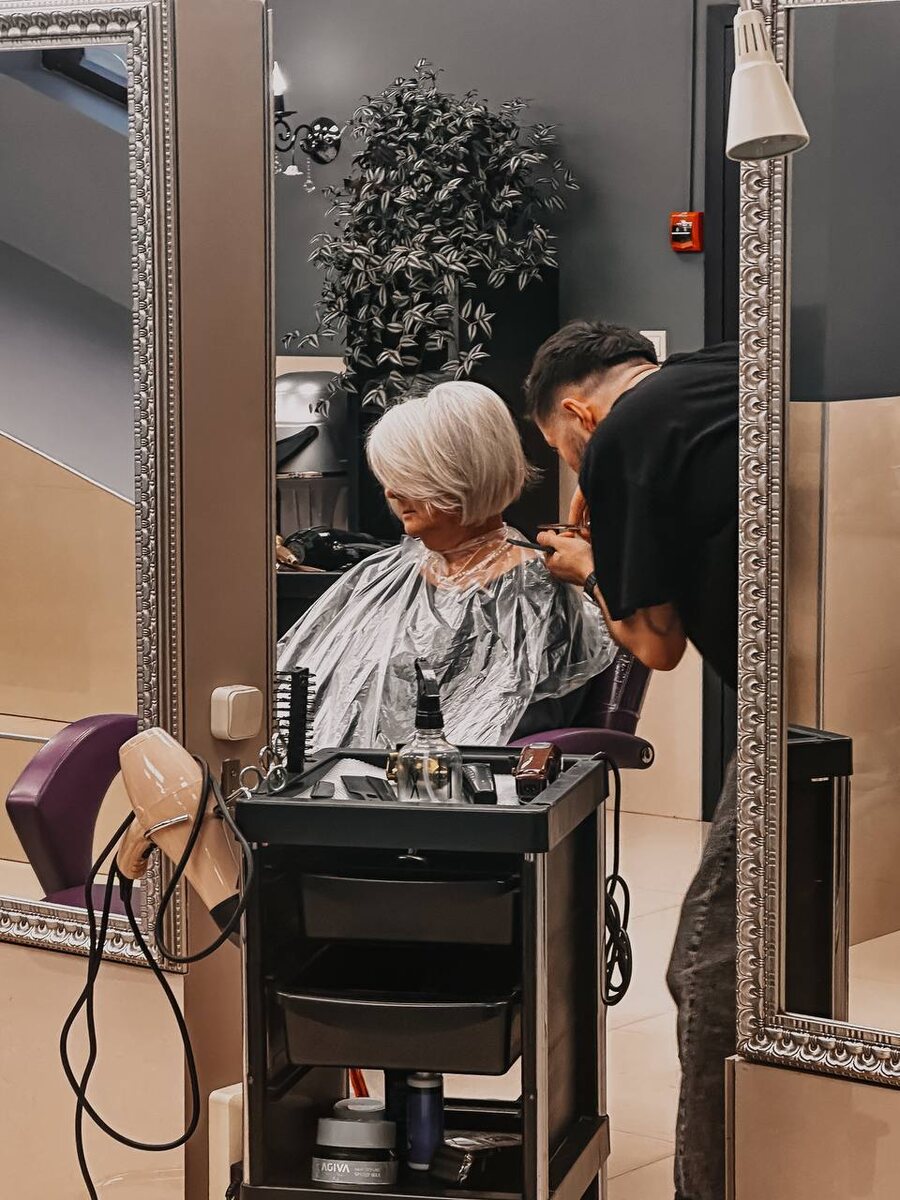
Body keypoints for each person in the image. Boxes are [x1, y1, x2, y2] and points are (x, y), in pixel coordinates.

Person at [525, 320, 738, 1200]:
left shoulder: (624, 435)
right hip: (845, 687)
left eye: (567, 453)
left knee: (708, 974)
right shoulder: (727, 369)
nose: (578, 474)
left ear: (581, 414)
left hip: (793, 719)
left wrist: (590, 564)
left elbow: (655, 645)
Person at [277, 380, 616, 750]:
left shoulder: (534, 592)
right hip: (339, 776)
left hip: (449, 781)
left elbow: (503, 722)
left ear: (462, 473)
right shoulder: (379, 577)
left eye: (408, 476)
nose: (391, 491)